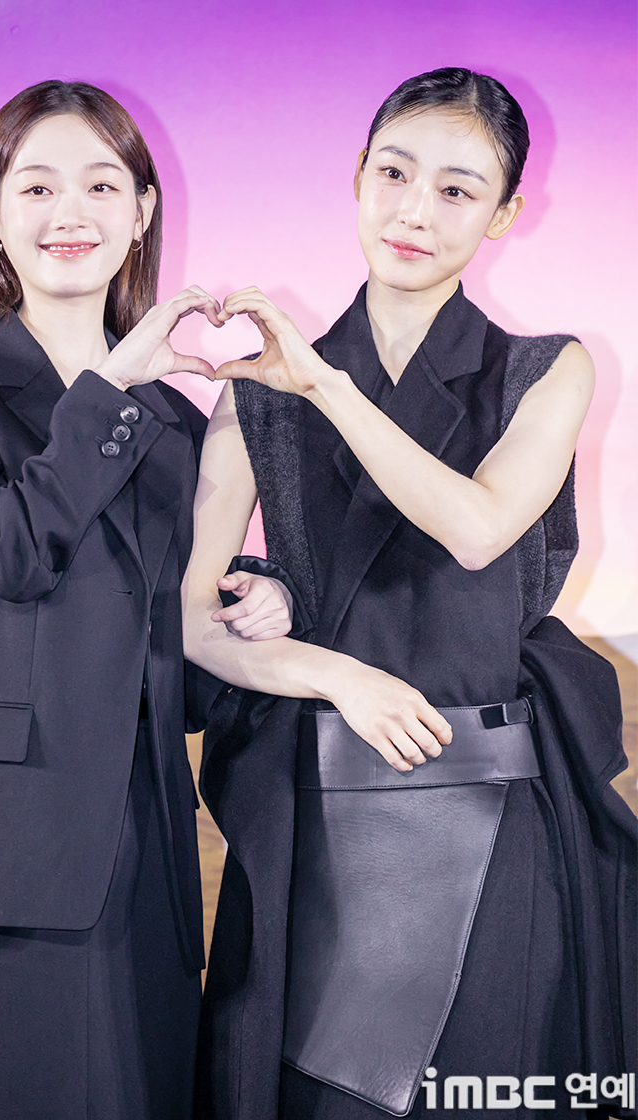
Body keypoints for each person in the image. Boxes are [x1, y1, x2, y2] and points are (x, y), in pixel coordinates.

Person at [183, 68, 636, 1120]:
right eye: (393, 173)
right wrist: (333, 672)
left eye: (457, 190)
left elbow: (476, 528)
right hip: (312, 806)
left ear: (503, 214)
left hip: (489, 805)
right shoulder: (255, 394)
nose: (415, 212)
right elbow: (190, 621)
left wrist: (326, 386)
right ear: (357, 176)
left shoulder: (543, 369)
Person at [0, 79, 292, 1120]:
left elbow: (178, 670)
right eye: (37, 186)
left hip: (142, 859)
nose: (71, 212)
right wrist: (112, 388)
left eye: (103, 185)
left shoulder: (174, 425)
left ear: (142, 211)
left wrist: (260, 599)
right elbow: (7, 554)